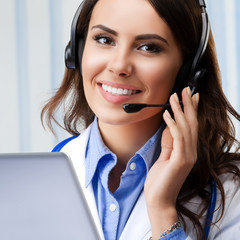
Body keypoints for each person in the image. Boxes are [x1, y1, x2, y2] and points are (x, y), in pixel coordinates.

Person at [41, 0, 240, 239]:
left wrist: (162, 210)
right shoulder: (46, 174)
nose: (119, 66)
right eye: (104, 39)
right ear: (77, 51)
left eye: (148, 47)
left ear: (188, 72)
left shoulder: (231, 192)